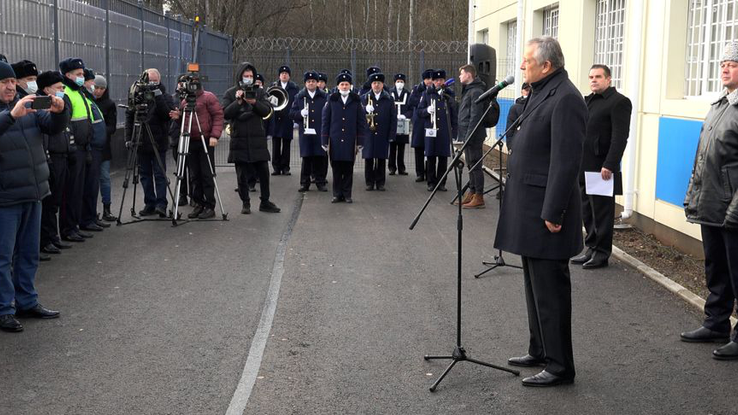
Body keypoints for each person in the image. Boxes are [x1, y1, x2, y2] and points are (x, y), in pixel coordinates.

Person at [494, 37, 587, 387]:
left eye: (527, 61)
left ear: (546, 65)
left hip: (547, 213)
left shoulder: (566, 98)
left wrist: (554, 212)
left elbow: (566, 161)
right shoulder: (541, 91)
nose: (522, 66)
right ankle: (539, 349)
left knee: (551, 291)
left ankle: (560, 365)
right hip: (528, 207)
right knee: (534, 287)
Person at [681, 41, 738, 360]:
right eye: (722, 63)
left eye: (732, 63)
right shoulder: (719, 105)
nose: (725, 68)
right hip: (712, 204)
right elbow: (703, 158)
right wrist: (694, 195)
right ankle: (716, 322)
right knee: (716, 267)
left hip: (733, 209)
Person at [0, 60, 67, 332]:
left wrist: (61, 112)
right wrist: (12, 115)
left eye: (11, 81)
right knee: (3, 258)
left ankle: (26, 300)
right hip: (5, 197)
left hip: (34, 190)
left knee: (29, 253)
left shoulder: (26, 102)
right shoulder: (15, 111)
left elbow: (51, 125)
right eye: (3, 82)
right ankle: (4, 308)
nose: (10, 86)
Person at [571, 64, 632, 269]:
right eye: (591, 77)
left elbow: (619, 137)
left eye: (598, 76)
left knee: (602, 213)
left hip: (601, 168)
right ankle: (591, 247)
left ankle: (602, 253)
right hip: (583, 165)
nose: (593, 80)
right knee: (586, 210)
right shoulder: (587, 101)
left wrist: (610, 164)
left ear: (609, 79)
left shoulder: (619, 102)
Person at [222, 62, 281, 214]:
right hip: (239, 138)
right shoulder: (230, 93)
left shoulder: (260, 92)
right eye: (246, 76)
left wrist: (254, 103)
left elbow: (267, 110)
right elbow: (226, 113)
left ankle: (265, 201)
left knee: (263, 171)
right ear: (240, 76)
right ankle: (245, 203)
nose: (248, 78)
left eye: (251, 76)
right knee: (241, 174)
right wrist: (238, 102)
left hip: (257, 139)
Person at [170, 73, 224, 219]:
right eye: (190, 82)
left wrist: (214, 135)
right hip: (191, 140)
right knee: (194, 175)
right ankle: (198, 203)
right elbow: (185, 121)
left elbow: (218, 116)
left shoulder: (209, 97)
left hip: (205, 140)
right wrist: (178, 118)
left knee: (207, 174)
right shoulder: (185, 101)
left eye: (195, 81)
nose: (192, 84)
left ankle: (209, 205)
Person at [125, 68, 175, 218]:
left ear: (159, 81)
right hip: (140, 141)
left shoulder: (165, 96)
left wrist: (157, 97)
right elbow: (129, 116)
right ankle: (149, 203)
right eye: (149, 80)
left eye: (155, 81)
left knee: (160, 174)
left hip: (158, 142)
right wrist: (129, 138)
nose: (151, 83)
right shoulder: (137, 96)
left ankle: (161, 204)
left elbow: (167, 115)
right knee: (145, 175)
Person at [37, 71, 74, 255]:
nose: (62, 90)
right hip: (51, 156)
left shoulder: (60, 103)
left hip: (62, 154)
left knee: (56, 200)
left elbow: (65, 126)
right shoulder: (39, 105)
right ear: (46, 89)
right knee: (49, 201)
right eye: (58, 87)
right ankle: (46, 239)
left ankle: (53, 237)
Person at [59, 58, 94, 242]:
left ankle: (75, 225)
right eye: (79, 74)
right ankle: (68, 228)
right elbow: (66, 123)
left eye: (82, 73)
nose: (82, 77)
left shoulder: (78, 91)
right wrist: (72, 147)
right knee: (71, 191)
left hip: (82, 147)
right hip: (73, 149)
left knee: (78, 189)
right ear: (68, 75)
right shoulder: (67, 94)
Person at [321, 72, 367, 203]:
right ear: (338, 86)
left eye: (347, 84)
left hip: (350, 140)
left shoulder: (356, 101)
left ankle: (347, 194)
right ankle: (337, 194)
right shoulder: (332, 99)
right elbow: (325, 121)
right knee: (336, 168)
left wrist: (360, 141)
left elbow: (361, 122)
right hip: (335, 140)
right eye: (342, 84)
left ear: (350, 86)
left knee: (348, 168)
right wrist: (324, 140)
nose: (345, 86)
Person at [457, 64, 498, 209]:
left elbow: (475, 117)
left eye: (462, 74)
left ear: (469, 75)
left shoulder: (475, 91)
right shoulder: (468, 90)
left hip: (474, 135)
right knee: (470, 164)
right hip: (468, 134)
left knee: (475, 165)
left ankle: (479, 196)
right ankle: (472, 192)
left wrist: (468, 136)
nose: (460, 76)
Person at [79, 68, 110, 231]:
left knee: (93, 186)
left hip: (97, 148)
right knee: (89, 186)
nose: (93, 85)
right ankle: (87, 218)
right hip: (90, 148)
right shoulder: (83, 99)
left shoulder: (89, 99)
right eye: (91, 82)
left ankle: (91, 216)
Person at [417, 69, 457, 192]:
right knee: (431, 157)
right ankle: (431, 182)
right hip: (431, 129)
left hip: (444, 130)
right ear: (433, 81)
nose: (439, 82)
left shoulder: (449, 94)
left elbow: (453, 113)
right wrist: (426, 111)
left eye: (441, 80)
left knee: (443, 158)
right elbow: (419, 111)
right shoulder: (426, 94)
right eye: (436, 80)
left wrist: (454, 131)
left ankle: (441, 182)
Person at [290, 70, 329, 192]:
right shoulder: (299, 97)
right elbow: (291, 113)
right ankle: (304, 183)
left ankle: (320, 182)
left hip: (320, 132)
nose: (311, 83)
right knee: (306, 159)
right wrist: (300, 113)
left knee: (320, 158)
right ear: (305, 83)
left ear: (317, 83)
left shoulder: (324, 97)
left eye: (313, 81)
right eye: (308, 81)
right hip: (305, 133)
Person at [361, 72, 397, 191]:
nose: (376, 85)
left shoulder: (388, 98)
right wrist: (364, 109)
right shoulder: (364, 98)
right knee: (369, 158)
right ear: (371, 85)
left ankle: (380, 182)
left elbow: (393, 118)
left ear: (383, 85)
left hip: (383, 132)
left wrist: (392, 134)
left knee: (381, 159)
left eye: (379, 83)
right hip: (368, 133)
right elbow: (358, 116)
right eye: (374, 83)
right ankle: (369, 182)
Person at [92, 74, 118, 222]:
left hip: (103, 146)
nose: (99, 91)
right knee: (93, 180)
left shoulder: (109, 104)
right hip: (92, 146)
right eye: (96, 87)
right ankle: (92, 210)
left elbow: (112, 127)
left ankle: (107, 208)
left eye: (102, 88)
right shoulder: (88, 102)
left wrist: (98, 131)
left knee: (104, 178)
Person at [268, 65, 299, 175]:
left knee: (286, 144)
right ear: (279, 76)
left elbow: (296, 103)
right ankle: (276, 167)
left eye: (286, 73)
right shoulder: (273, 86)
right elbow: (270, 101)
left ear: (289, 76)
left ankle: (285, 167)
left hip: (287, 119)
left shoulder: (294, 88)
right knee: (276, 144)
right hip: (276, 119)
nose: (284, 75)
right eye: (282, 73)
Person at [409, 69, 433, 182]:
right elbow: (411, 102)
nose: (429, 81)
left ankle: (429, 173)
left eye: (431, 79)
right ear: (424, 79)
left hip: (430, 122)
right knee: (419, 148)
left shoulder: (434, 90)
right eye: (427, 79)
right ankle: (419, 173)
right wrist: (423, 102)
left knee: (430, 148)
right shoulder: (416, 89)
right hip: (419, 122)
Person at [389, 73, 412, 176]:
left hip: (403, 123)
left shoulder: (408, 93)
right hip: (393, 123)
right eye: (398, 81)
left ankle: (401, 168)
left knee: (401, 147)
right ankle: (392, 168)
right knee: (392, 147)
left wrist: (405, 115)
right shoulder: (390, 93)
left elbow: (411, 109)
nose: (400, 83)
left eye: (401, 82)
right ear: (394, 83)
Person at [505, 82, 529, 150]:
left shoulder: (536, 106)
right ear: (522, 91)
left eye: (530, 90)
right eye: (526, 90)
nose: (528, 93)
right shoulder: (515, 107)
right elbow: (510, 128)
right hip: (518, 143)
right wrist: (510, 146)